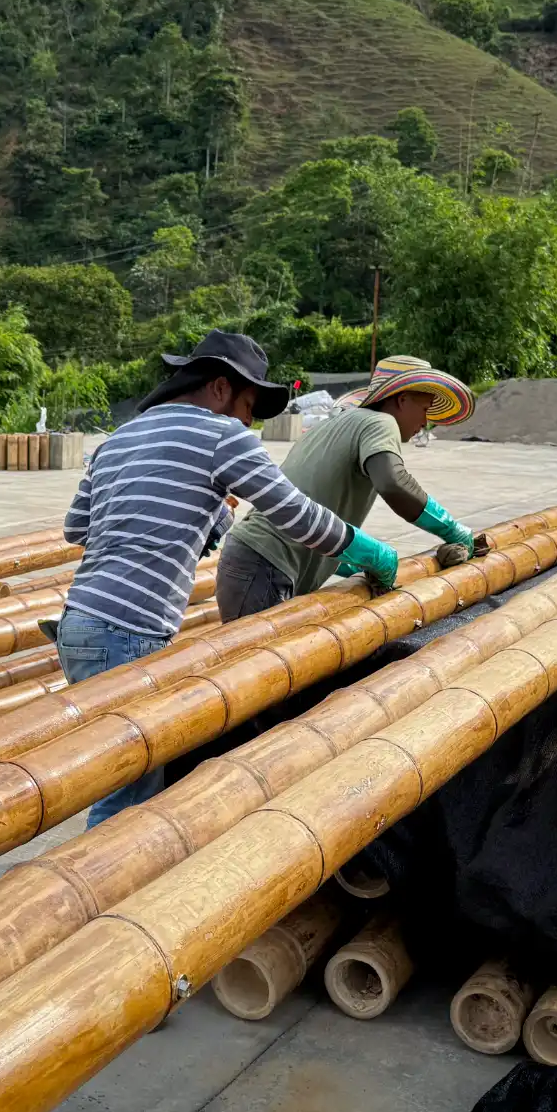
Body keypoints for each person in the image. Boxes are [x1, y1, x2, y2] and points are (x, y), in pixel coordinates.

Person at [59, 331, 396, 827]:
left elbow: (76, 528)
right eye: (248, 408)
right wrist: (358, 546)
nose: (248, 422)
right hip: (129, 633)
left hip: (78, 625)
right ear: (220, 387)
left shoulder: (119, 437)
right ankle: (92, 899)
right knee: (130, 793)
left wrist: (199, 510)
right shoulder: (221, 435)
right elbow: (293, 512)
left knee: (117, 773)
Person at [216, 355, 480, 622]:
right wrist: (451, 529)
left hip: (257, 558)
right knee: (258, 659)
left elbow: (314, 494)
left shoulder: (337, 423)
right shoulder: (381, 422)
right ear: (402, 399)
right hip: (267, 562)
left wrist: (349, 560)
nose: (425, 422)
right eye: (424, 409)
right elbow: (394, 484)